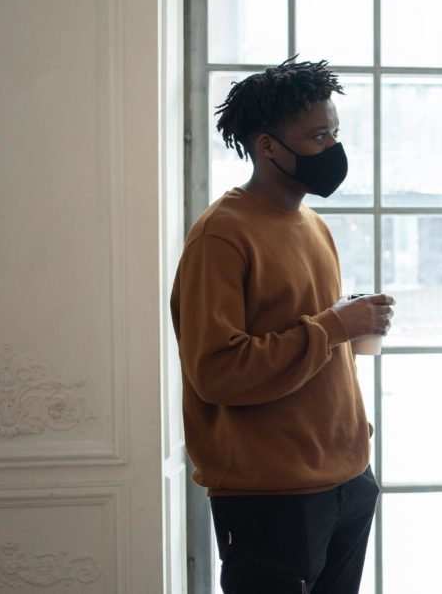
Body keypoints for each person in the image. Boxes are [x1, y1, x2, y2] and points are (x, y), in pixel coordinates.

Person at [170, 59, 394, 594]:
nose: (333, 148)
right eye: (318, 136)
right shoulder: (220, 237)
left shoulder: (313, 225)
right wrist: (333, 328)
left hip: (347, 478)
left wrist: (347, 325)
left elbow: (309, 335)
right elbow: (218, 372)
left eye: (334, 132)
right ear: (268, 146)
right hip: (271, 497)